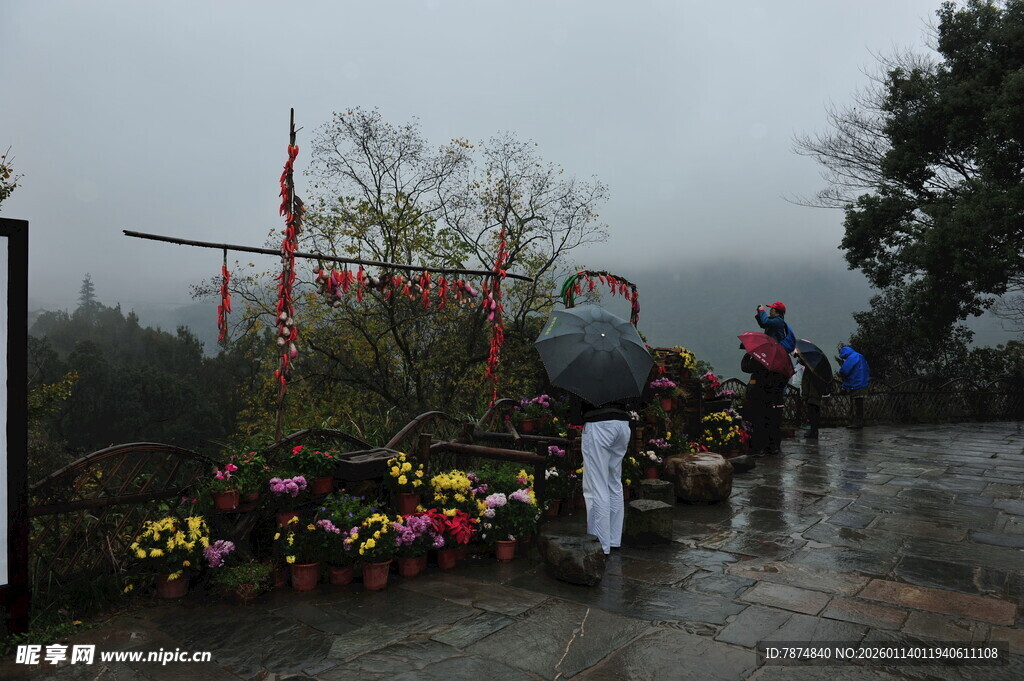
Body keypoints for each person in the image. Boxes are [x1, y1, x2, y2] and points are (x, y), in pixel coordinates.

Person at [568, 395, 635, 555]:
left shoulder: (585, 370)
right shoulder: (619, 370)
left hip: (599, 425)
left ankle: (599, 543)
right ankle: (613, 539)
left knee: (596, 484)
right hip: (622, 424)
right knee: (614, 482)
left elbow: (576, 404)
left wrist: (576, 418)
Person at [741, 347, 788, 456]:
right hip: (774, 398)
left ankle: (758, 448)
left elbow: (745, 367)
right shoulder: (780, 364)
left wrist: (749, 354)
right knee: (772, 422)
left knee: (759, 422)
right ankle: (772, 446)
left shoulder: (761, 361)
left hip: (759, 397)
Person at [837, 343, 870, 429]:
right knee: (860, 403)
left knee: (857, 404)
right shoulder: (860, 356)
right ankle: (859, 422)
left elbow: (844, 371)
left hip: (856, 383)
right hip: (863, 382)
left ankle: (857, 423)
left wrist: (841, 374)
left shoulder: (851, 358)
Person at [799, 356, 831, 440]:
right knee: (816, 413)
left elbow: (805, 384)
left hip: (811, 395)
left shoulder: (809, 369)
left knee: (811, 414)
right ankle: (815, 431)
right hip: (818, 394)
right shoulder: (819, 368)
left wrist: (804, 397)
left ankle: (813, 432)